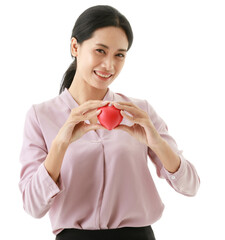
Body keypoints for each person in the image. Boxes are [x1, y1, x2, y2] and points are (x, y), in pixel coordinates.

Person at [19, 5, 200, 240]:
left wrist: (157, 143)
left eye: (119, 55)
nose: (109, 66)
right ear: (75, 46)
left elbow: (190, 186)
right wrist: (60, 145)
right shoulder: (40, 116)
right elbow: (33, 206)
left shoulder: (140, 112)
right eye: (100, 51)